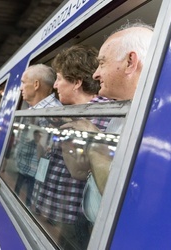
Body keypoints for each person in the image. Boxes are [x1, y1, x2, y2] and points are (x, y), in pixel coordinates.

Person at [60, 22, 154, 224]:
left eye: (102, 63)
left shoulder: (157, 126)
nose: (95, 74)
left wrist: (92, 139)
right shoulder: (122, 110)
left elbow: (128, 202)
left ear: (130, 62)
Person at [34, 44, 109, 249]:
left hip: (71, 214)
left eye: (59, 78)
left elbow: (78, 170)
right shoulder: (75, 112)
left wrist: (63, 130)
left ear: (76, 83)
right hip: (57, 206)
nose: (55, 86)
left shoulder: (100, 114)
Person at [13, 64, 61, 206]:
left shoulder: (53, 112)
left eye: (23, 83)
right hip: (24, 169)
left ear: (36, 85)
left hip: (36, 178)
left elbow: (49, 155)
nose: (21, 88)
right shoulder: (35, 109)